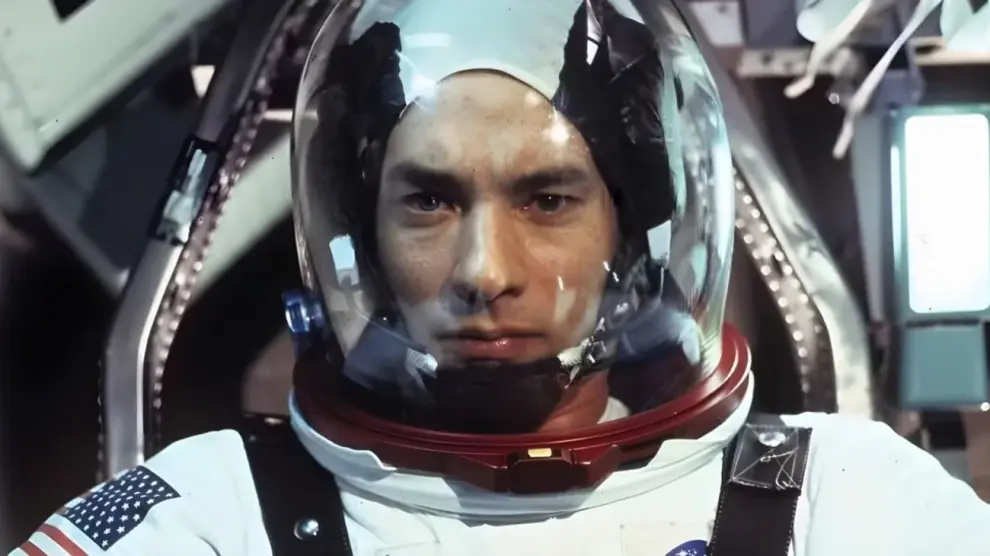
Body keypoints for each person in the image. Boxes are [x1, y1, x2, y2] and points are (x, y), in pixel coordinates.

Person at [12, 0, 990, 554]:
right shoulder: (205, 515)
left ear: (630, 234)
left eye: (547, 199)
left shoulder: (853, 505)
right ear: (363, 233)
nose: (484, 270)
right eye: (430, 202)